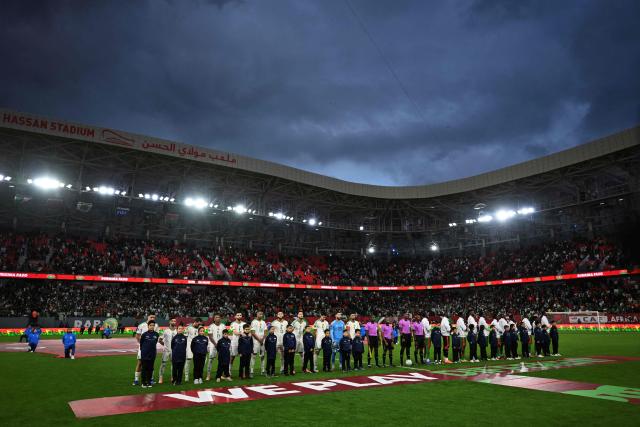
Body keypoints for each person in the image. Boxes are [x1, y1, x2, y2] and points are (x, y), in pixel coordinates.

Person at [133, 313, 156, 386]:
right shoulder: (142, 325)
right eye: (151, 317)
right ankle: (136, 379)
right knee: (140, 363)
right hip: (143, 348)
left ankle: (150, 379)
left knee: (151, 364)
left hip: (151, 349)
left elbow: (156, 336)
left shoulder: (156, 326)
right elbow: (137, 336)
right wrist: (142, 345)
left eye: (154, 317)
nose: (152, 318)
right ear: (148, 317)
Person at [139, 320, 159, 388]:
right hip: (145, 354)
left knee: (150, 369)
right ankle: (143, 383)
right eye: (151, 325)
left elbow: (155, 343)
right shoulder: (144, 334)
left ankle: (149, 382)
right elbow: (141, 343)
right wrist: (144, 351)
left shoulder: (156, 334)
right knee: (144, 368)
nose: (152, 327)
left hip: (152, 354)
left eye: (153, 325)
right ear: (148, 326)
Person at [206, 314, 226, 381]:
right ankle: (208, 375)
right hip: (213, 345)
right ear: (214, 319)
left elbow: (225, 335)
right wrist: (215, 344)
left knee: (222, 360)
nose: (218, 318)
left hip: (221, 345)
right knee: (211, 360)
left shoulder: (223, 325)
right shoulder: (211, 326)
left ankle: (221, 374)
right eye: (216, 317)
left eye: (219, 317)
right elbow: (210, 336)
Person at [158, 318, 177, 384]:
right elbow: (160, 339)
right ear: (170, 322)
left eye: (175, 321)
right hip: (166, 350)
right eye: (172, 321)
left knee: (173, 364)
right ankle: (160, 377)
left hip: (174, 350)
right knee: (163, 364)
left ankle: (172, 377)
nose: (174, 322)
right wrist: (165, 345)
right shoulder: (166, 331)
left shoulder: (177, 331)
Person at [184, 317, 202, 383]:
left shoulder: (200, 328)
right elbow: (185, 337)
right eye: (198, 324)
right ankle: (186, 376)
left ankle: (198, 375)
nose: (199, 325)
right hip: (189, 346)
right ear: (195, 322)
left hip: (198, 346)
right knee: (188, 360)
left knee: (200, 361)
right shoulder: (188, 328)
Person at [250, 311, 267, 377]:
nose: (261, 315)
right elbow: (253, 332)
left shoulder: (263, 322)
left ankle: (262, 370)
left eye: (262, 314)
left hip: (263, 341)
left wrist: (262, 339)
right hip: (255, 341)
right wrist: (259, 339)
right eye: (260, 314)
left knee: (263, 356)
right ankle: (251, 371)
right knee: (254, 355)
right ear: (257, 314)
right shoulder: (253, 322)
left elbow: (265, 331)